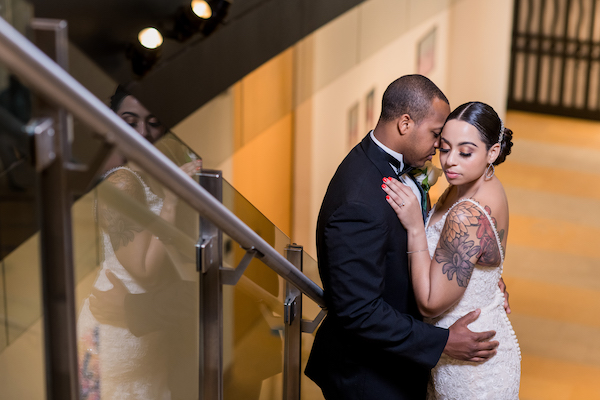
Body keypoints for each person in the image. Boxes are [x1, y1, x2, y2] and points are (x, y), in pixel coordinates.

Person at [305, 75, 501, 400]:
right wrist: (443, 342)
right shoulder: (359, 200)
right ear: (405, 123)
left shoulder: (398, 165)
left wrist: (477, 277)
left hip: (398, 363)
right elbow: (359, 311)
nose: (440, 147)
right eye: (436, 134)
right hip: (369, 377)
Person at [382, 101, 520, 399]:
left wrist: (416, 228)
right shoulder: (476, 185)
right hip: (466, 341)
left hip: (471, 366)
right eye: (445, 148)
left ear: (492, 152)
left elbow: (431, 303)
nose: (450, 162)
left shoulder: (466, 215)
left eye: (465, 152)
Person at [77, 85, 201, 400]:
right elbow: (144, 268)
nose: (142, 132)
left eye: (152, 121)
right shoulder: (122, 183)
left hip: (148, 321)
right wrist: (172, 200)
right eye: (130, 121)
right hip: (118, 326)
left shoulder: (149, 174)